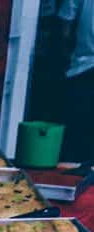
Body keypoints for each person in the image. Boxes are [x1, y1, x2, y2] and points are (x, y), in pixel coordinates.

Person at [57, 0, 94, 161]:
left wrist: (65, 54)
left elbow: (65, 28)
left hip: (82, 68)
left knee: (76, 139)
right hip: (83, 70)